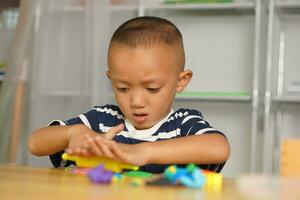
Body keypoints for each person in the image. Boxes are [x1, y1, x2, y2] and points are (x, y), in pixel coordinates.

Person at [28, 16, 230, 173]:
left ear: (181, 81)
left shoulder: (183, 124)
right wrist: (74, 133)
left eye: (152, 89)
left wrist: (141, 153)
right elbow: (35, 143)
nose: (136, 101)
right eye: (123, 88)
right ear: (111, 79)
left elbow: (219, 147)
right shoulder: (103, 120)